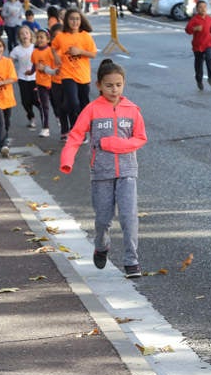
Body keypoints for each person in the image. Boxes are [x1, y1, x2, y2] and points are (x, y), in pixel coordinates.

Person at [59, 59, 147, 276]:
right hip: (101, 174)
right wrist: (67, 159)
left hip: (127, 172)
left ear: (123, 84)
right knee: (102, 220)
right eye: (109, 85)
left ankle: (131, 261)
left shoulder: (132, 110)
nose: (114, 89)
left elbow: (141, 138)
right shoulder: (92, 110)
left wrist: (117, 144)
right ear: (98, 85)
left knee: (128, 217)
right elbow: (76, 135)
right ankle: (101, 245)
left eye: (118, 84)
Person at [51, 8, 97, 141]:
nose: (75, 22)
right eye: (72, 19)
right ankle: (73, 125)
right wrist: (56, 57)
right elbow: (53, 47)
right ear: (67, 21)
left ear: (81, 20)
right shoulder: (61, 36)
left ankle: (81, 132)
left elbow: (93, 54)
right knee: (73, 102)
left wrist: (79, 51)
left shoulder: (85, 36)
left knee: (83, 105)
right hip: (67, 74)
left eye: (77, 19)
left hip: (83, 75)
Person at [10, 25, 40, 129]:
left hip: (36, 78)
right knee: (25, 101)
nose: (24, 35)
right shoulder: (16, 50)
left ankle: (45, 117)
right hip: (22, 78)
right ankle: (31, 117)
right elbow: (10, 63)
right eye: (22, 34)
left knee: (37, 100)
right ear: (19, 37)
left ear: (31, 35)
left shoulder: (35, 47)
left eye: (26, 33)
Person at [185, 0, 211, 91]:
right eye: (200, 7)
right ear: (197, 9)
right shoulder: (194, 19)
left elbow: (210, 29)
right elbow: (188, 30)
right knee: (199, 63)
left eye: (204, 7)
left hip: (208, 43)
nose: (203, 9)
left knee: (209, 58)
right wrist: (195, 28)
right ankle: (199, 80)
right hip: (197, 45)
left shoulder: (209, 18)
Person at [31, 29, 53, 137]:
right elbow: (34, 64)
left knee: (57, 105)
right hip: (40, 82)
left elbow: (56, 66)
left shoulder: (50, 51)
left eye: (42, 37)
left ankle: (59, 119)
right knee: (44, 106)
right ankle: (45, 127)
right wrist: (30, 72)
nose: (39, 39)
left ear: (48, 39)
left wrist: (46, 69)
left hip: (52, 82)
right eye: (37, 37)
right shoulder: (35, 52)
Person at [47, 23, 68, 140]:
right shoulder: (50, 51)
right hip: (56, 82)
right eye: (55, 37)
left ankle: (75, 129)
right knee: (60, 107)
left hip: (70, 81)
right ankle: (64, 130)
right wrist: (53, 71)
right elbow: (45, 68)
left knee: (71, 106)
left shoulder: (68, 49)